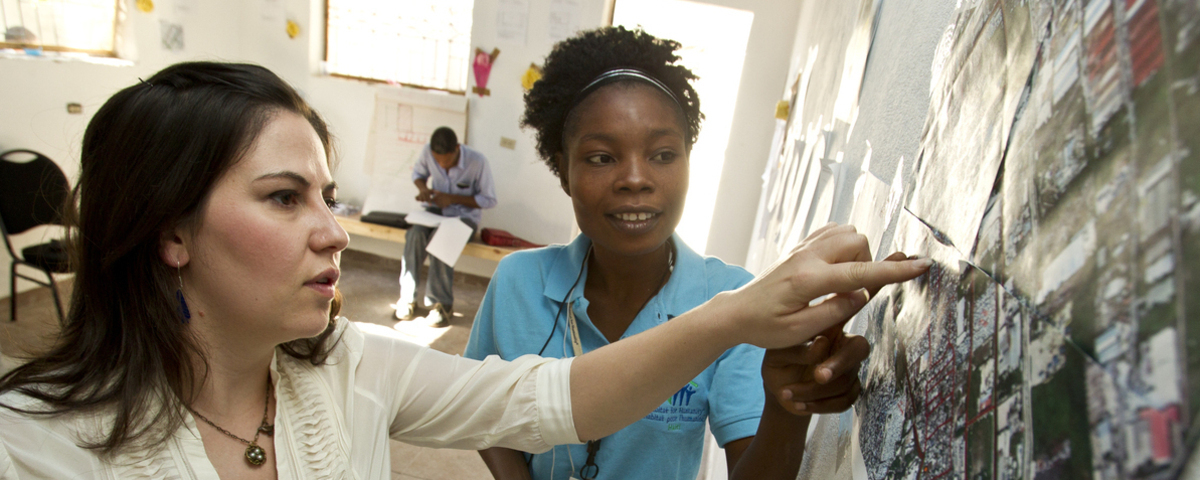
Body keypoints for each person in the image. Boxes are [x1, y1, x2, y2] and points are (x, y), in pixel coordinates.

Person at [0, 62, 928, 479]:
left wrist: (736, 316)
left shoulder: (350, 368)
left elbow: (552, 401)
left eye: (328, 196)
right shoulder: (32, 446)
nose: (332, 232)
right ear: (170, 232)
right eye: (287, 199)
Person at [464, 26, 907, 480]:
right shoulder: (518, 282)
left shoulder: (737, 300)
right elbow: (476, 406)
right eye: (601, 157)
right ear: (563, 170)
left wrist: (786, 409)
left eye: (662, 154)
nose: (635, 178)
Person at [395, 126, 496, 327]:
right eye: (437, 161)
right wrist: (423, 190)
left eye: (447, 162)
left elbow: (489, 200)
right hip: (435, 211)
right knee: (414, 234)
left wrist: (452, 199)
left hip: (465, 217)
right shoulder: (427, 151)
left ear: (457, 148)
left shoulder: (478, 161)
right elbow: (418, 174)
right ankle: (407, 299)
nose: (442, 165)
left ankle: (441, 304)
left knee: (444, 239)